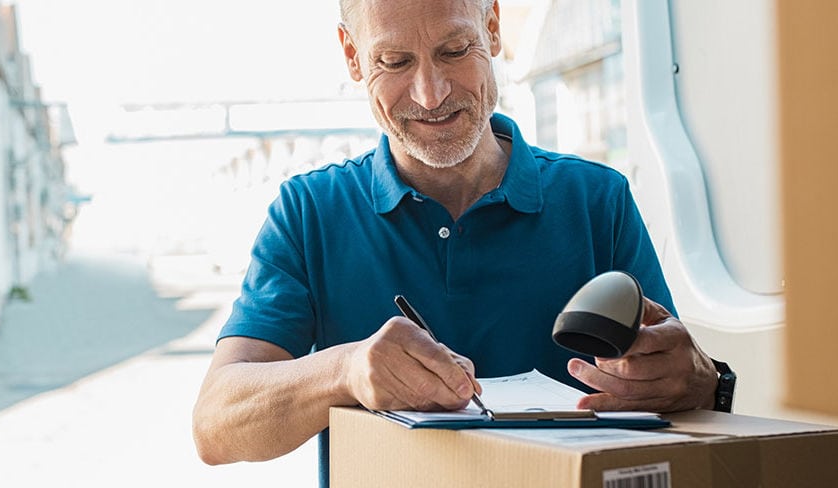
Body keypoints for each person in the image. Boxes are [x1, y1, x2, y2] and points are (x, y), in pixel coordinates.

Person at [192, 0, 722, 485]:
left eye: (454, 50)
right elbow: (216, 426)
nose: (431, 94)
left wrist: (702, 381)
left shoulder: (597, 200)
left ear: (492, 29)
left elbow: (679, 386)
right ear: (353, 57)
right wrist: (345, 370)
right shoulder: (308, 212)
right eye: (395, 62)